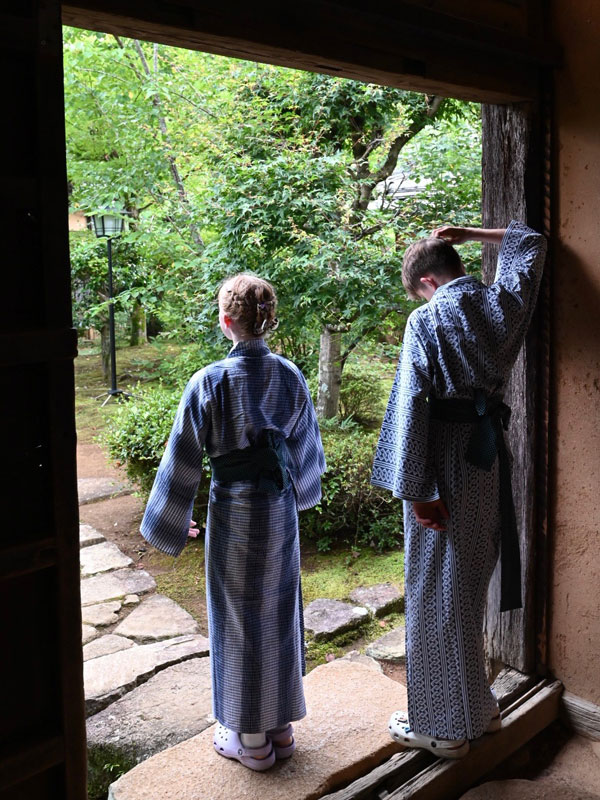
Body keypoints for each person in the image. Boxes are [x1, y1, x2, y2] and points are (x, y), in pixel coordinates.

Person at [371, 221, 547, 758]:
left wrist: (415, 488)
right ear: (456, 268)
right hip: (488, 463)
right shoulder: (501, 306)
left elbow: (410, 404)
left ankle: (442, 728)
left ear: (426, 281)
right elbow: (531, 242)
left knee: (432, 590)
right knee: (466, 585)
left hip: (442, 463)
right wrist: (469, 233)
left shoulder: (426, 320)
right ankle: (480, 708)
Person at [141, 273, 326, 771]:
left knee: (238, 616)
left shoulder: (211, 381)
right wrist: (304, 492)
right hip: (279, 509)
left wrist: (171, 522)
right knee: (279, 608)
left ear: (227, 322)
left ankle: (250, 738)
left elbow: (182, 458)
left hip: (234, 511)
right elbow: (306, 449)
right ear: (269, 319)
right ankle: (281, 727)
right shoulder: (289, 375)